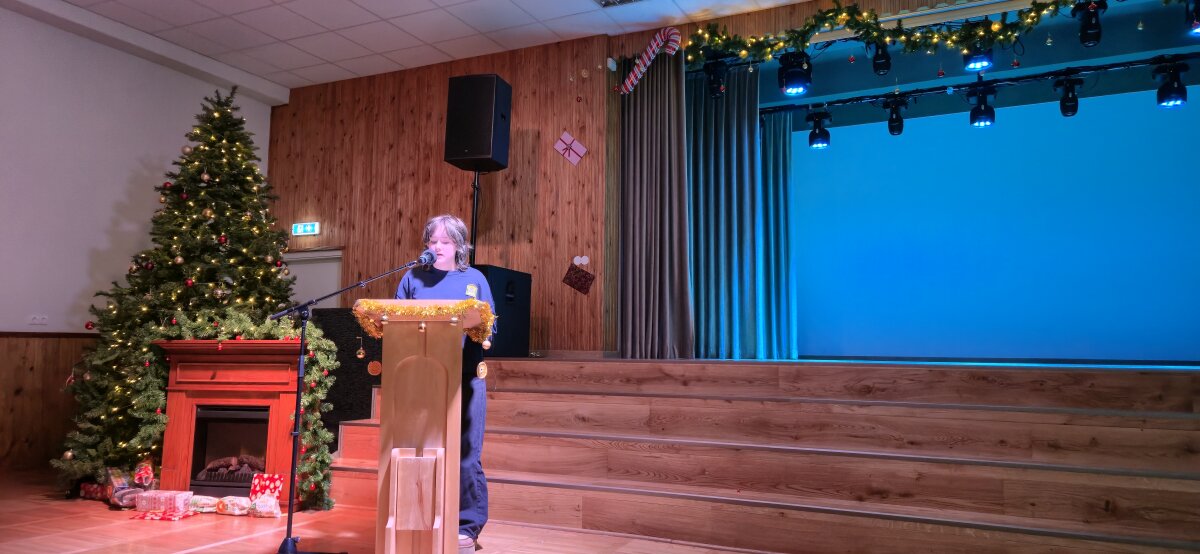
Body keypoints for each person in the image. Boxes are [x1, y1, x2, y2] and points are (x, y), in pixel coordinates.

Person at [395, 214, 494, 553]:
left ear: (459, 246)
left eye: (445, 242)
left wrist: (479, 330)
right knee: (420, 448)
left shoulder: (475, 279)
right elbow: (396, 321)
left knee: (467, 453)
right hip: (421, 376)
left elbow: (490, 325)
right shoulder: (412, 277)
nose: (437, 247)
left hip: (466, 376)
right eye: (432, 241)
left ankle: (467, 526)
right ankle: (419, 518)